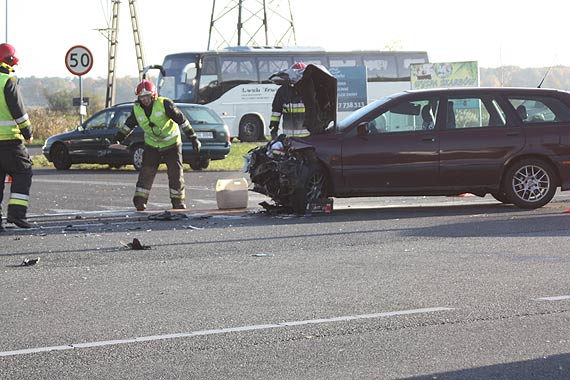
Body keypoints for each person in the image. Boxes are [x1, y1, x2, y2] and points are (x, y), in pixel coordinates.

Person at [114, 79, 201, 211]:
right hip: (152, 144)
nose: (145, 100)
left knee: (175, 173)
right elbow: (129, 125)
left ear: (153, 95)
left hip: (172, 143)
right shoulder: (137, 109)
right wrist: (118, 139)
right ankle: (140, 201)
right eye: (142, 97)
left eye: (147, 96)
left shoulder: (165, 104)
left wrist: (193, 138)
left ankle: (178, 202)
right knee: (146, 172)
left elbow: (182, 121)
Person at [0, 43, 33, 231]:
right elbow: (18, 111)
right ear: (9, 61)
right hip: (10, 142)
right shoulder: (7, 80)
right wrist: (27, 132)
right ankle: (16, 213)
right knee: (23, 171)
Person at [269, 62, 307, 139]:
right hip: (291, 136)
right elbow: (276, 112)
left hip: (305, 136)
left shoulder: (310, 90)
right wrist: (274, 128)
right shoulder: (283, 91)